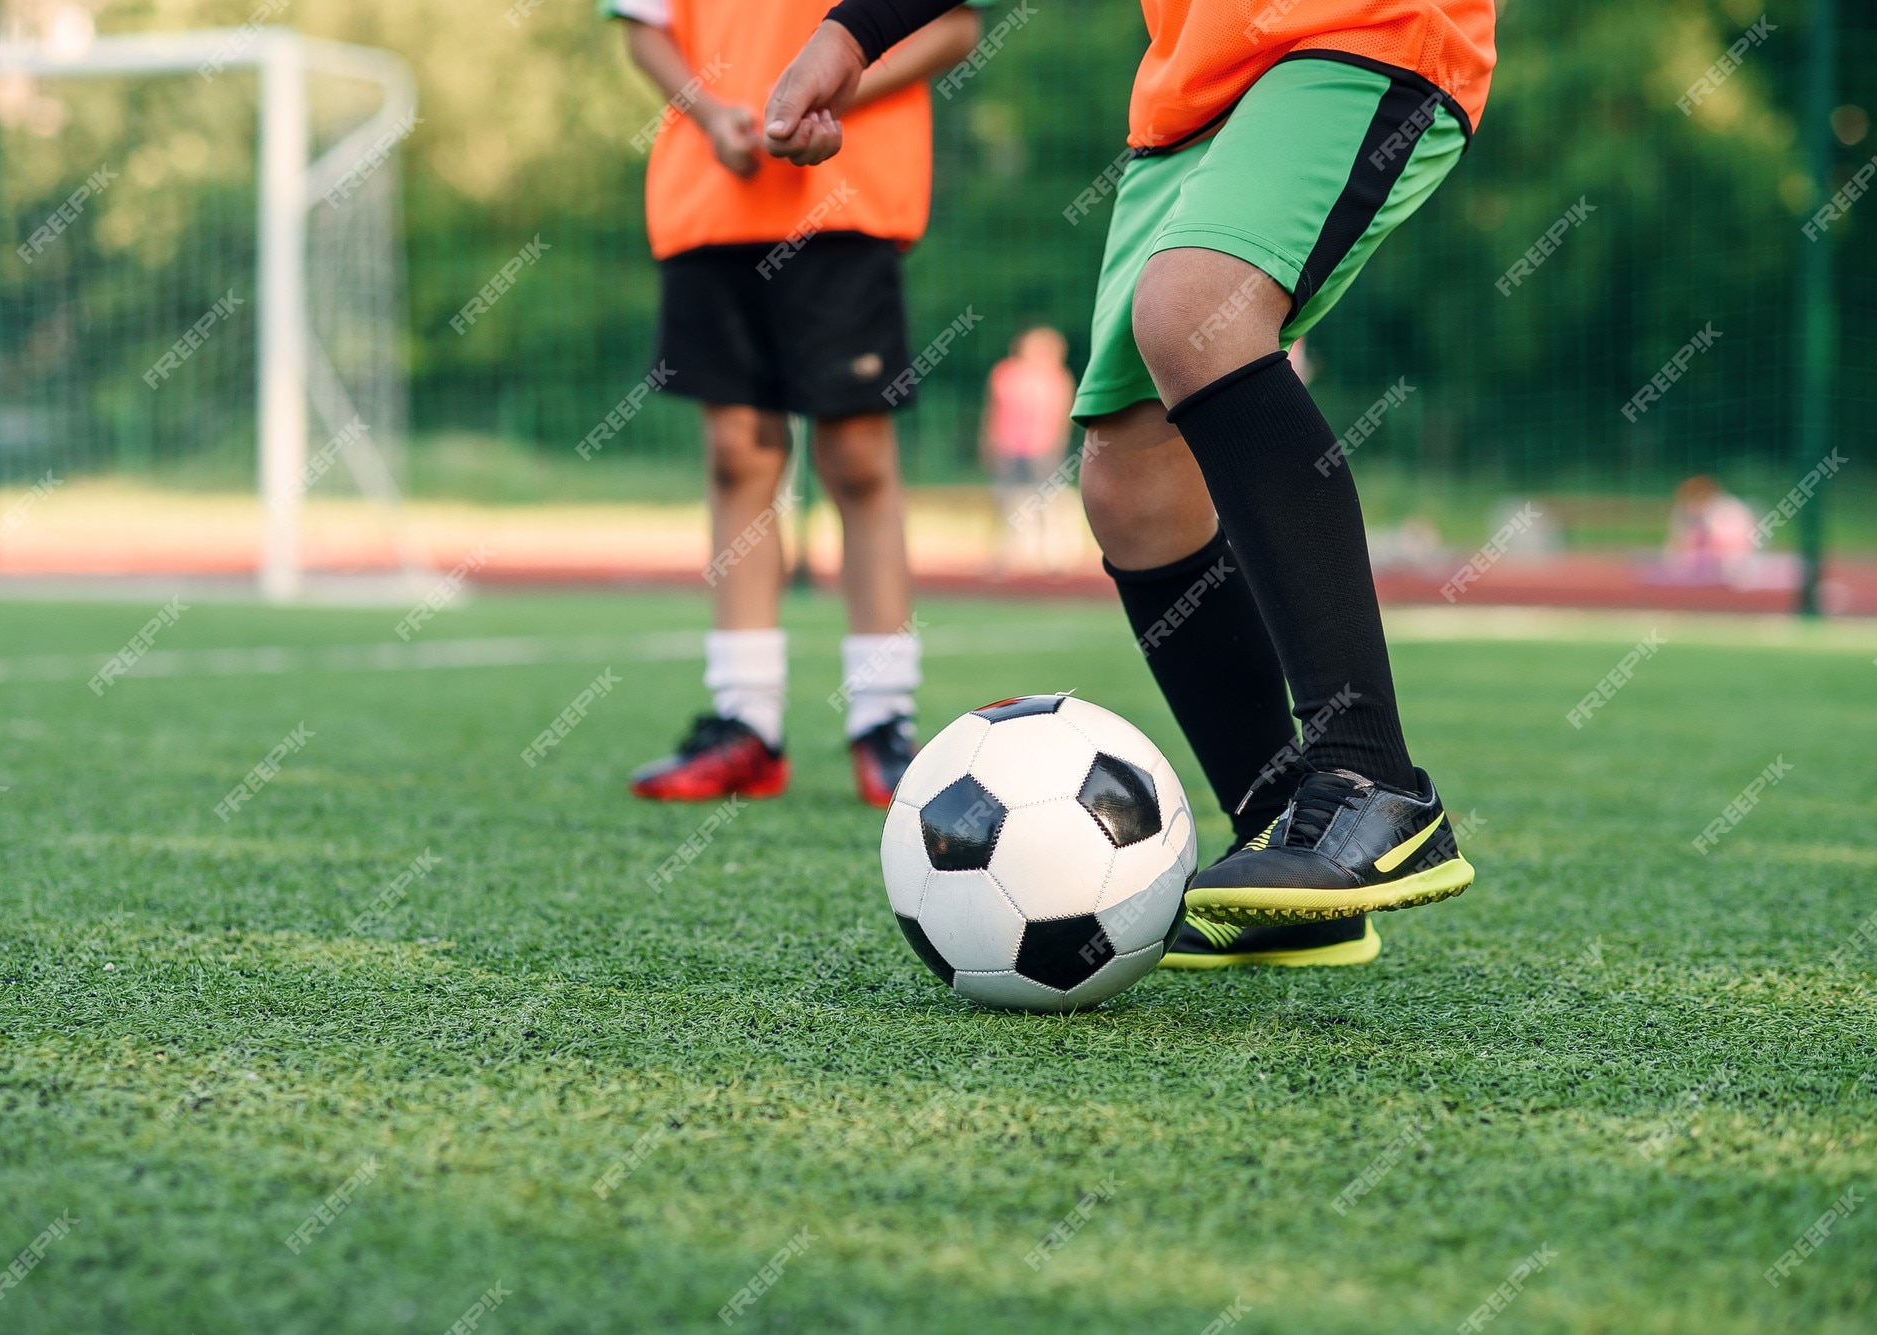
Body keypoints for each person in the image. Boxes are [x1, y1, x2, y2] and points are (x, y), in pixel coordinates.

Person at [761, 0, 1494, 964]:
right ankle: (1284, 841)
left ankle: (1370, 783)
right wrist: (854, 33)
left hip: (1357, 30)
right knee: (1129, 485)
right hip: (1191, 90)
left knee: (1195, 310)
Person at [604, 0, 984, 807]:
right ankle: (746, 722)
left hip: (845, 195)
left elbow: (956, 24)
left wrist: (835, 94)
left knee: (856, 458)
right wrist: (712, 117)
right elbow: (644, 26)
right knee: (737, 453)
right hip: (714, 198)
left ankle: (883, 719)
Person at [980, 326, 1076, 572]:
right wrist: (989, 442)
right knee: (1008, 501)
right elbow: (993, 411)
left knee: (1048, 503)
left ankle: (1053, 558)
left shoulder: (1057, 378)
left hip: (1042, 449)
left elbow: (1061, 415)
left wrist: (1055, 446)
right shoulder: (1005, 374)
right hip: (1009, 448)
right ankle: (1005, 557)